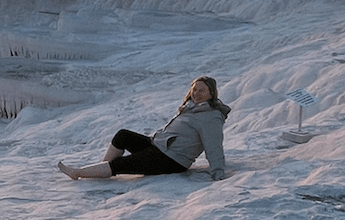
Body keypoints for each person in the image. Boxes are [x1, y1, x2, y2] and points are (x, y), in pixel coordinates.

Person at [58, 76, 230, 181]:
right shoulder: (193, 108)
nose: (196, 93)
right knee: (123, 136)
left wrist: (218, 172)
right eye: (194, 89)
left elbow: (213, 145)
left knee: (119, 164)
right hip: (158, 146)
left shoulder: (211, 116)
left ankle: (79, 173)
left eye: (202, 91)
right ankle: (102, 170)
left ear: (211, 93)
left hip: (171, 159)